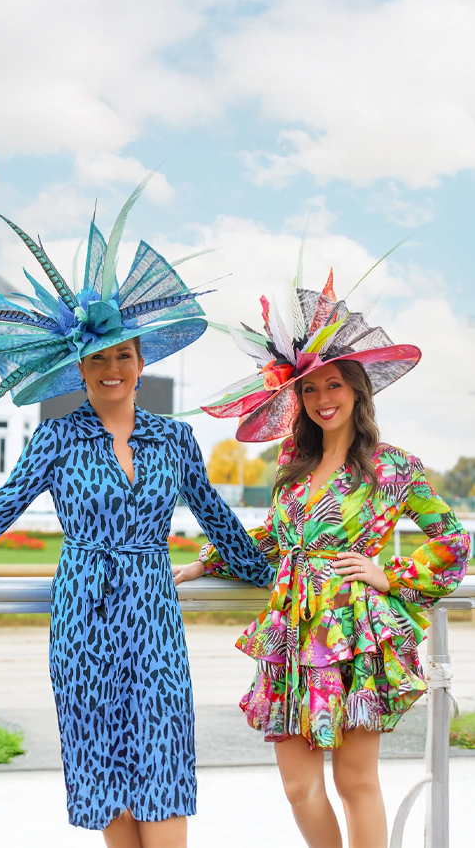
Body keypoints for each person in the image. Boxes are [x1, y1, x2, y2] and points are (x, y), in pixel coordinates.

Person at [0, 184, 275, 848]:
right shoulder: (56, 440)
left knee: (161, 785)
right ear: (80, 364)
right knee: (108, 790)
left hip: (155, 619)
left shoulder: (175, 441)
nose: (111, 368)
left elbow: (222, 526)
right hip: (84, 619)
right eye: (98, 357)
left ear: (141, 360)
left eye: (123, 354)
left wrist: (276, 568)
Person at [173, 270, 470, 848]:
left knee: (355, 781)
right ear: (297, 399)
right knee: (297, 786)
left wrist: (392, 575)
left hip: (355, 632)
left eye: (333, 385)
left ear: (357, 389)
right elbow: (275, 539)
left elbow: (454, 538)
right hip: (291, 630)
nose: (322, 399)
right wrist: (204, 562)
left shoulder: (391, 466)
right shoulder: (293, 466)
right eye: (309, 390)